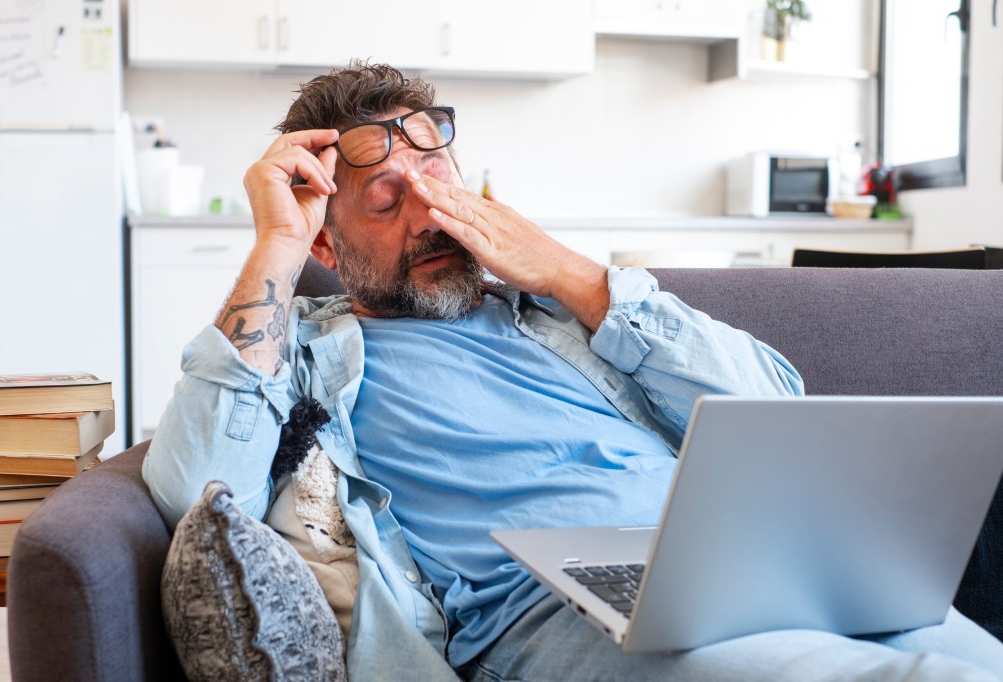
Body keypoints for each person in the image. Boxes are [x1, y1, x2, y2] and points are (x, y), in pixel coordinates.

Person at [143, 61, 1003, 681]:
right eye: (385, 201)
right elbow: (200, 487)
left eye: (438, 180)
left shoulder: (566, 312)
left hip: (754, 567)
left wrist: (570, 274)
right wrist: (277, 247)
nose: (431, 214)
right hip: (551, 616)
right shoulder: (304, 354)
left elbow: (775, 403)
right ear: (330, 241)